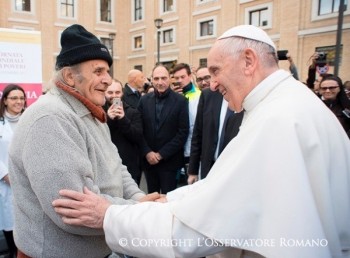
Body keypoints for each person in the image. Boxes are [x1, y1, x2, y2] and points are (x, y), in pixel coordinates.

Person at [53, 25, 350, 258]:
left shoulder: (277, 119)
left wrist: (109, 216)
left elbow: (198, 230)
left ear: (248, 61)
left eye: (217, 71)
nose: (213, 83)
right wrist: (171, 199)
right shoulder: (289, 103)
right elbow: (221, 190)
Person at [8, 24, 158, 258]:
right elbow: (73, 214)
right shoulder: (50, 118)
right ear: (70, 76)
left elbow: (117, 168)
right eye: (98, 71)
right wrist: (140, 211)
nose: (108, 80)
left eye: (108, 71)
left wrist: (139, 198)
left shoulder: (92, 112)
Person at [137, 64, 189, 194]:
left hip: (169, 162)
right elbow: (138, 130)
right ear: (152, 80)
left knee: (168, 201)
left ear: (170, 79)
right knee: (151, 201)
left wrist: (161, 154)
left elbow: (182, 132)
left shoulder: (180, 101)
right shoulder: (143, 101)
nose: (160, 82)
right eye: (156, 79)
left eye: (163, 78)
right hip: (149, 163)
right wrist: (147, 152)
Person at [187, 87, 243, 184]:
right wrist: (193, 170)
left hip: (233, 170)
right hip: (209, 168)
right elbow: (198, 134)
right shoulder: (209, 95)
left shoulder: (246, 94)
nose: (212, 82)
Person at [0, 84, 26, 258]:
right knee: (9, 223)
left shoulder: (30, 119)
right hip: (6, 182)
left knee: (27, 224)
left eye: (22, 98)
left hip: (28, 181)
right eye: (14, 98)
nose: (19, 102)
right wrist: (5, 174)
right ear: (5, 101)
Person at [104, 79, 143, 185]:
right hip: (106, 167)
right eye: (110, 92)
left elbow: (137, 137)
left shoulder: (133, 112)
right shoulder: (99, 113)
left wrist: (123, 119)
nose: (114, 96)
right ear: (104, 93)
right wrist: (108, 119)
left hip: (129, 167)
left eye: (117, 92)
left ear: (122, 93)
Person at [172, 63, 201, 179]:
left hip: (191, 150)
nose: (179, 80)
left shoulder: (199, 95)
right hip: (177, 150)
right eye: (176, 78)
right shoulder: (173, 96)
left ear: (190, 76)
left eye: (182, 77)